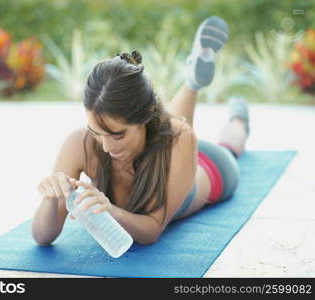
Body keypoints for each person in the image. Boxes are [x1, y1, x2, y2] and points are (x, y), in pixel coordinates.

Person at [31, 16, 250, 246]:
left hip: (212, 169)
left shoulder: (180, 138)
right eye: (97, 131)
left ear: (146, 114)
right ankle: (192, 82)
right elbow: (42, 237)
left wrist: (112, 211)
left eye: (117, 134)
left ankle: (238, 119)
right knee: (172, 128)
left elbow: (152, 231)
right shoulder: (79, 143)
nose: (106, 147)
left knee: (224, 146)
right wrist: (50, 200)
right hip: (165, 139)